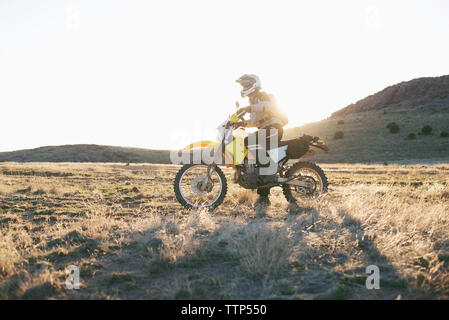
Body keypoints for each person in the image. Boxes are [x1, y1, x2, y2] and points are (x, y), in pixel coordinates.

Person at [235, 74, 288, 206]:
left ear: (254, 84)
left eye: (246, 85)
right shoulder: (252, 101)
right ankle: (264, 198)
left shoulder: (263, 95)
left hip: (273, 128)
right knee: (255, 159)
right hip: (265, 129)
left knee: (248, 141)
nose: (244, 87)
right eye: (243, 85)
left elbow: (268, 106)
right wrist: (240, 124)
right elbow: (255, 121)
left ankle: (270, 173)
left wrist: (248, 108)